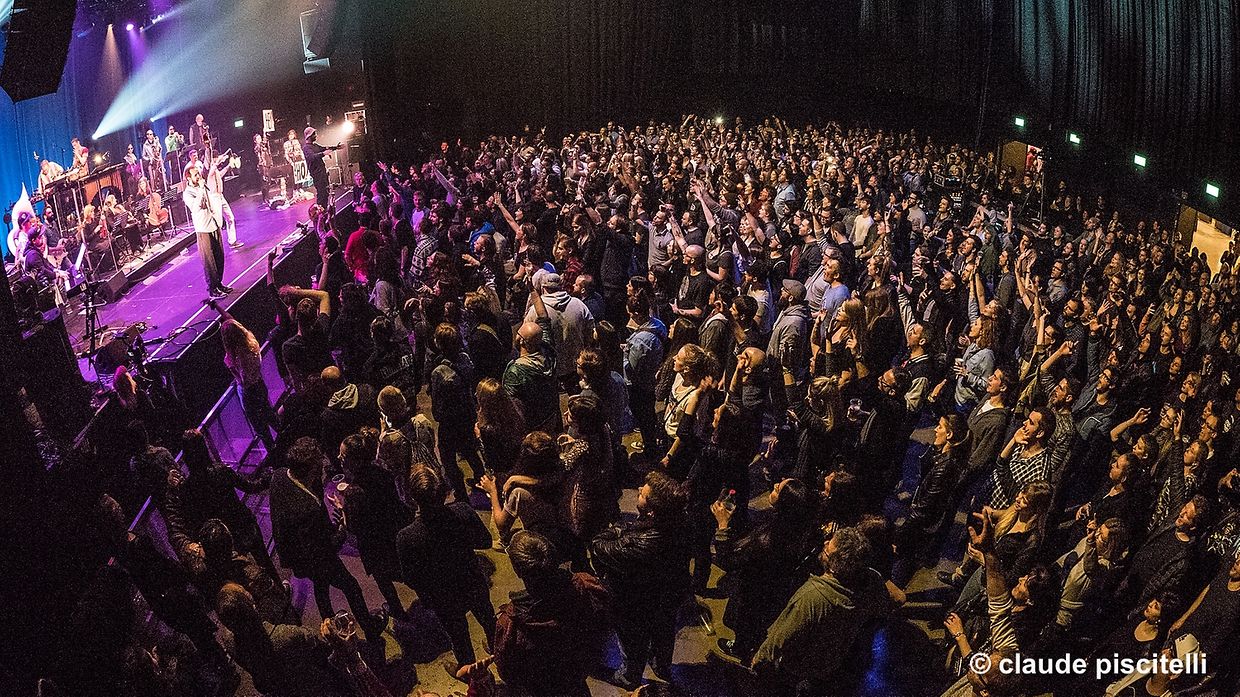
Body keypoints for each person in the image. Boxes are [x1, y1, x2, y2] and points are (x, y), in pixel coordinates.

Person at [753, 526, 891, 693]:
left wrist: (757, 663)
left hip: (799, 672)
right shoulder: (873, 580)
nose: (825, 543)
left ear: (834, 565)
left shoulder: (812, 597)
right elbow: (883, 609)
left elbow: (779, 641)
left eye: (828, 548)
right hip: (833, 666)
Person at [269, 438, 382, 640]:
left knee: (321, 588)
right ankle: (370, 628)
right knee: (351, 586)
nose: (323, 466)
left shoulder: (279, 476)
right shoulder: (307, 509)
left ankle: (332, 632)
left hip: (298, 555)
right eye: (318, 464)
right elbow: (324, 548)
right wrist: (342, 526)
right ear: (310, 470)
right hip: (317, 558)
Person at [590, 471, 690, 689]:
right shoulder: (680, 522)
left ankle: (629, 677)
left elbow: (599, 546)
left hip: (635, 602)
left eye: (643, 494)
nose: (638, 492)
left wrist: (616, 528)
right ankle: (661, 665)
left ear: (652, 512)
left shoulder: (643, 542)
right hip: (668, 596)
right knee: (663, 633)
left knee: (632, 642)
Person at [396, 464, 497, 670]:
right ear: (442, 491)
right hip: (472, 582)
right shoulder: (462, 511)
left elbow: (411, 577)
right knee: (490, 623)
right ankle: (504, 659)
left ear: (413, 499)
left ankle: (474, 678)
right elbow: (486, 541)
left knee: (459, 638)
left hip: (443, 597)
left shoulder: (406, 537)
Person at [182, 162, 231, 298]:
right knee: (209, 260)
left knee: (219, 256)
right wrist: (201, 189)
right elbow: (195, 207)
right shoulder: (188, 193)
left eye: (198, 173)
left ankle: (219, 283)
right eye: (195, 174)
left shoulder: (203, 187)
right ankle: (212, 289)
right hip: (203, 228)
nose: (198, 176)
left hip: (213, 223)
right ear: (188, 177)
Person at [302, 127, 342, 210]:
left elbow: (325, 148)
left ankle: (324, 209)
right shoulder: (306, 148)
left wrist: (335, 147)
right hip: (317, 174)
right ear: (309, 136)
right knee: (321, 193)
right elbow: (312, 157)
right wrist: (323, 154)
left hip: (322, 172)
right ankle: (319, 211)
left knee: (325, 192)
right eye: (314, 134)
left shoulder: (315, 145)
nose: (316, 136)